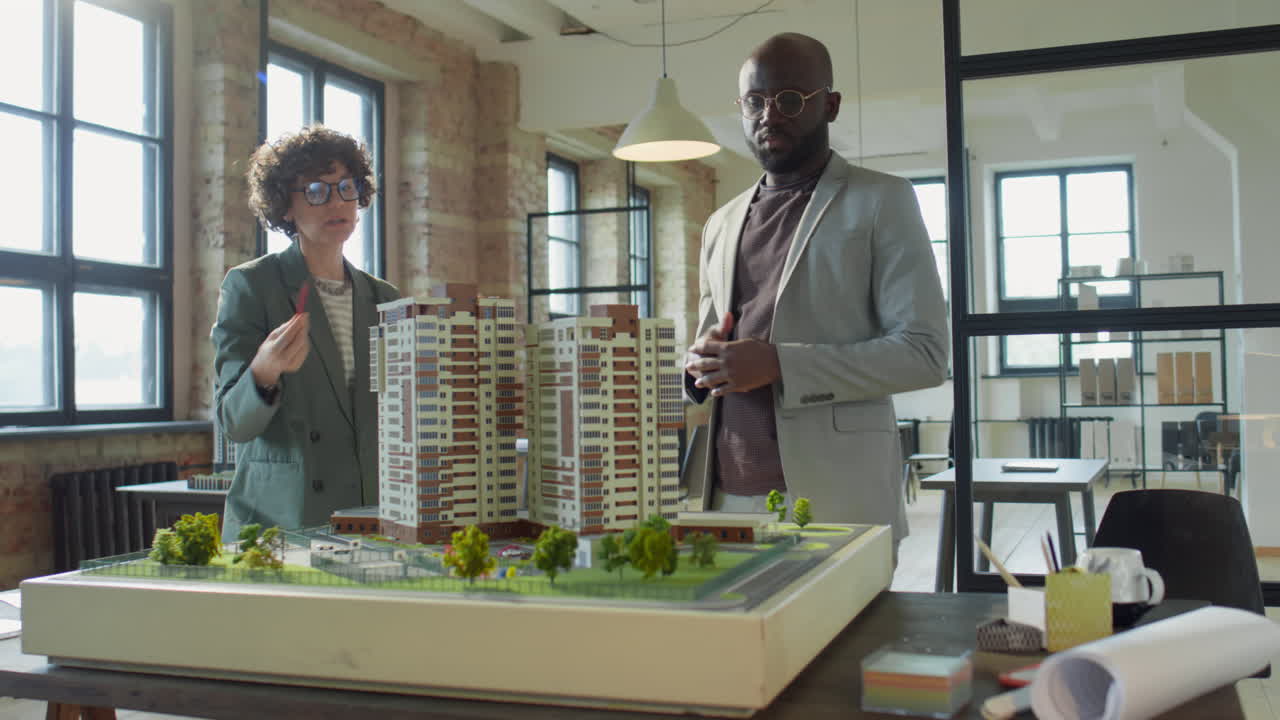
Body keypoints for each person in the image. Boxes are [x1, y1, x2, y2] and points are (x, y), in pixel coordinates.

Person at [683, 33, 948, 549]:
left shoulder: (883, 200)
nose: (768, 115)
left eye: (788, 99)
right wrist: (700, 366)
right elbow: (709, 340)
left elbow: (925, 354)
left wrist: (781, 363)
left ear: (829, 105)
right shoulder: (720, 222)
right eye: (754, 101)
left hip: (836, 497)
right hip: (724, 496)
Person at [211, 125, 399, 542]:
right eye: (316, 190)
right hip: (284, 520)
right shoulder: (252, 285)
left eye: (345, 187)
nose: (336, 202)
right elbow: (232, 424)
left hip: (371, 516)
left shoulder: (385, 297)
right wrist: (263, 373)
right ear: (286, 207)